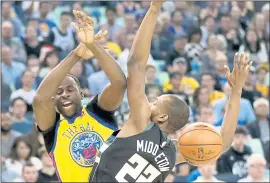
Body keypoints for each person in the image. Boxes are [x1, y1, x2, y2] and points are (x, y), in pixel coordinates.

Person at [89, 1, 252, 182]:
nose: (149, 102)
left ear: (162, 117)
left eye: (155, 102)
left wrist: (154, 9)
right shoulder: (171, 154)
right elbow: (222, 143)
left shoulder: (141, 122)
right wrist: (236, 92)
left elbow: (135, 63)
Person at [32, 13, 127, 181]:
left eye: (70, 89)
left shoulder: (98, 112)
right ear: (53, 100)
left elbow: (119, 83)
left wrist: (92, 45)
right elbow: (40, 99)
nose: (65, 94)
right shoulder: (52, 127)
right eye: (59, 92)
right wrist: (76, 55)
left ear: (81, 93)